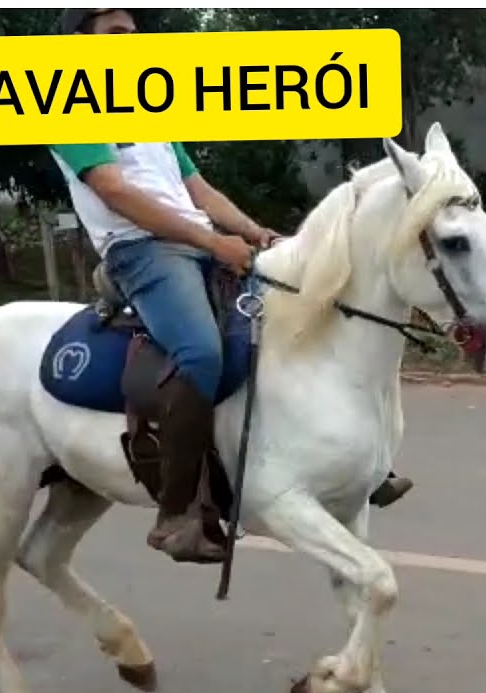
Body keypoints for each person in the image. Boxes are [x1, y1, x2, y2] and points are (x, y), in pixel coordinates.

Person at [51, 8, 413, 565]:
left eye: (133, 30)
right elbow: (118, 194)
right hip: (141, 251)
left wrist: (250, 231)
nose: (131, 40)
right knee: (200, 353)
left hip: (194, 242)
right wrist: (213, 243)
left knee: (299, 314)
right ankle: (178, 513)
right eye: (115, 32)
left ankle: (353, 464)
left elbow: (198, 187)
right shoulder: (71, 110)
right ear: (80, 43)